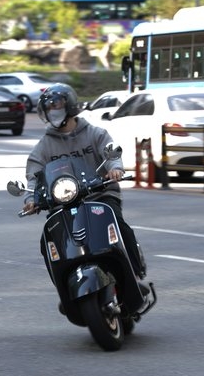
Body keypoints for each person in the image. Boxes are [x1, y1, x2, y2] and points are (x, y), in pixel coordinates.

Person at [22, 83, 147, 283]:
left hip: (100, 195)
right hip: (63, 203)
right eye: (49, 108)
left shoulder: (94, 133)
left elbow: (110, 150)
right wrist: (30, 198)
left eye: (57, 105)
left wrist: (115, 168)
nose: (53, 111)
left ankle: (135, 271)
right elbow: (33, 175)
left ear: (69, 105)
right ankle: (63, 285)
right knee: (48, 241)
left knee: (120, 226)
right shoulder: (44, 146)